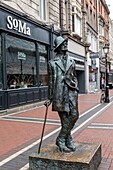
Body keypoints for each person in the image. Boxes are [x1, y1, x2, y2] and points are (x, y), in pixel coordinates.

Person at [45, 36, 79, 152]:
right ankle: (67, 140)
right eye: (63, 43)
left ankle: (61, 138)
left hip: (71, 92)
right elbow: (50, 82)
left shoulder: (72, 61)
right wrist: (50, 98)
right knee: (65, 119)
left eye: (66, 43)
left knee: (74, 115)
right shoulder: (52, 63)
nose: (65, 45)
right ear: (58, 47)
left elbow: (74, 76)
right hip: (59, 94)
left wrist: (76, 88)